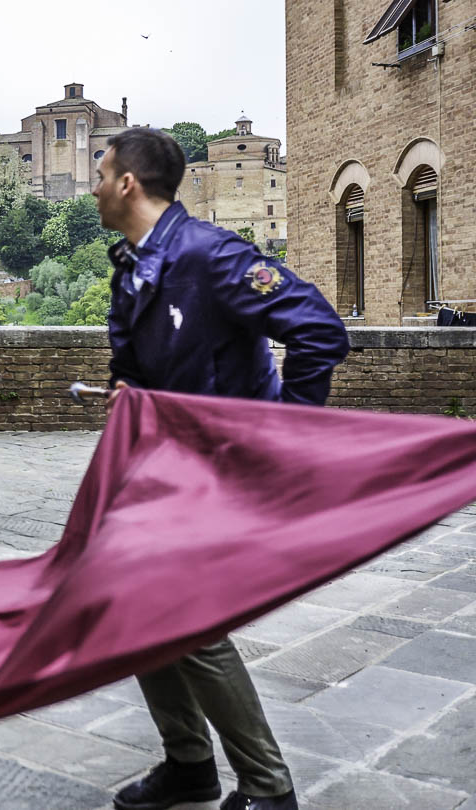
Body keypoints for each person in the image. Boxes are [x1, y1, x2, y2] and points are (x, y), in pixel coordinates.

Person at [94, 129, 350, 810]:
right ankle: (189, 765)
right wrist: (128, 391)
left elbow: (320, 331)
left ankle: (268, 788)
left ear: (127, 184)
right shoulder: (130, 266)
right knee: (131, 605)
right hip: (164, 472)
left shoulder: (213, 255)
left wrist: (281, 434)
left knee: (188, 619)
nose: (93, 189)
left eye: (101, 175)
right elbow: (135, 368)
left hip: (225, 471)